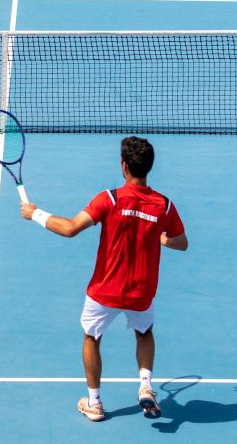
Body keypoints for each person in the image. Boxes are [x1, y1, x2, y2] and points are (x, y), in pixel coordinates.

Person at [20, 136, 189, 422]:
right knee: (144, 333)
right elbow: (181, 242)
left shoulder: (109, 199)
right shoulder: (164, 205)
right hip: (141, 292)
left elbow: (70, 228)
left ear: (124, 166)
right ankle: (145, 386)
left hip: (105, 291)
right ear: (149, 167)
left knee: (92, 337)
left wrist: (34, 213)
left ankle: (95, 403)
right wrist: (158, 236)